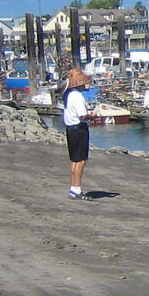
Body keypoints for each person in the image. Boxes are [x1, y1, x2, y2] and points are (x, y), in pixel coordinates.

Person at [61, 68, 94, 200]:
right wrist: (93, 115)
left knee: (75, 160)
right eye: (86, 82)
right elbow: (82, 116)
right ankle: (77, 189)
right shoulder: (78, 96)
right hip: (79, 129)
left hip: (70, 128)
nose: (88, 84)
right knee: (81, 160)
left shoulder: (68, 94)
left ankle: (73, 188)